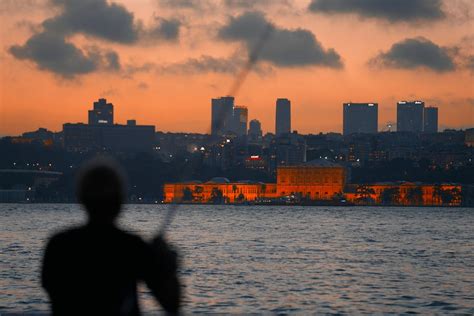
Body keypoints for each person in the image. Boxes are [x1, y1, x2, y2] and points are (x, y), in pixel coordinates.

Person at [41, 159, 181, 315]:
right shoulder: (132, 248)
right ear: (120, 201)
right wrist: (167, 266)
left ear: (81, 198)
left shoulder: (59, 245)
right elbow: (171, 304)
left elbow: (52, 290)